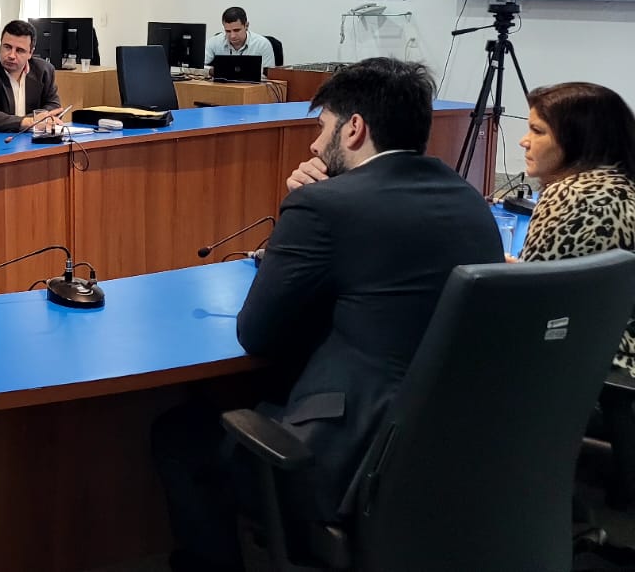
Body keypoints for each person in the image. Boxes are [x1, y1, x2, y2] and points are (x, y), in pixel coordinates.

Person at [153, 58, 502, 572]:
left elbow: (257, 334)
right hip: (454, 457)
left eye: (322, 128)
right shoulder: (471, 202)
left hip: (347, 462)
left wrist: (307, 205)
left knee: (181, 433)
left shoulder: (322, 206)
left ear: (354, 128)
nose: (316, 146)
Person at [514, 82, 635, 506]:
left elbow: (530, 303)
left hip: (594, 354)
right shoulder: (620, 186)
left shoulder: (567, 194)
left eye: (538, 131)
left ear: (579, 139)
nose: (524, 141)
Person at [0, 20, 64, 133]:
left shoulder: (44, 71)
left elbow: (53, 105)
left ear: (30, 53)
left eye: (19, 50)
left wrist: (36, 120)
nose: (12, 55)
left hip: (31, 138)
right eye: (7, 47)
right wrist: (30, 122)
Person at [204, 6, 276, 70]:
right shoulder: (214, 42)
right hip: (222, 81)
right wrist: (212, 71)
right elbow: (198, 67)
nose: (232, 36)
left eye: (237, 30)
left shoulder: (262, 44)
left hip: (251, 81)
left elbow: (268, 75)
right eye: (228, 31)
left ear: (246, 26)